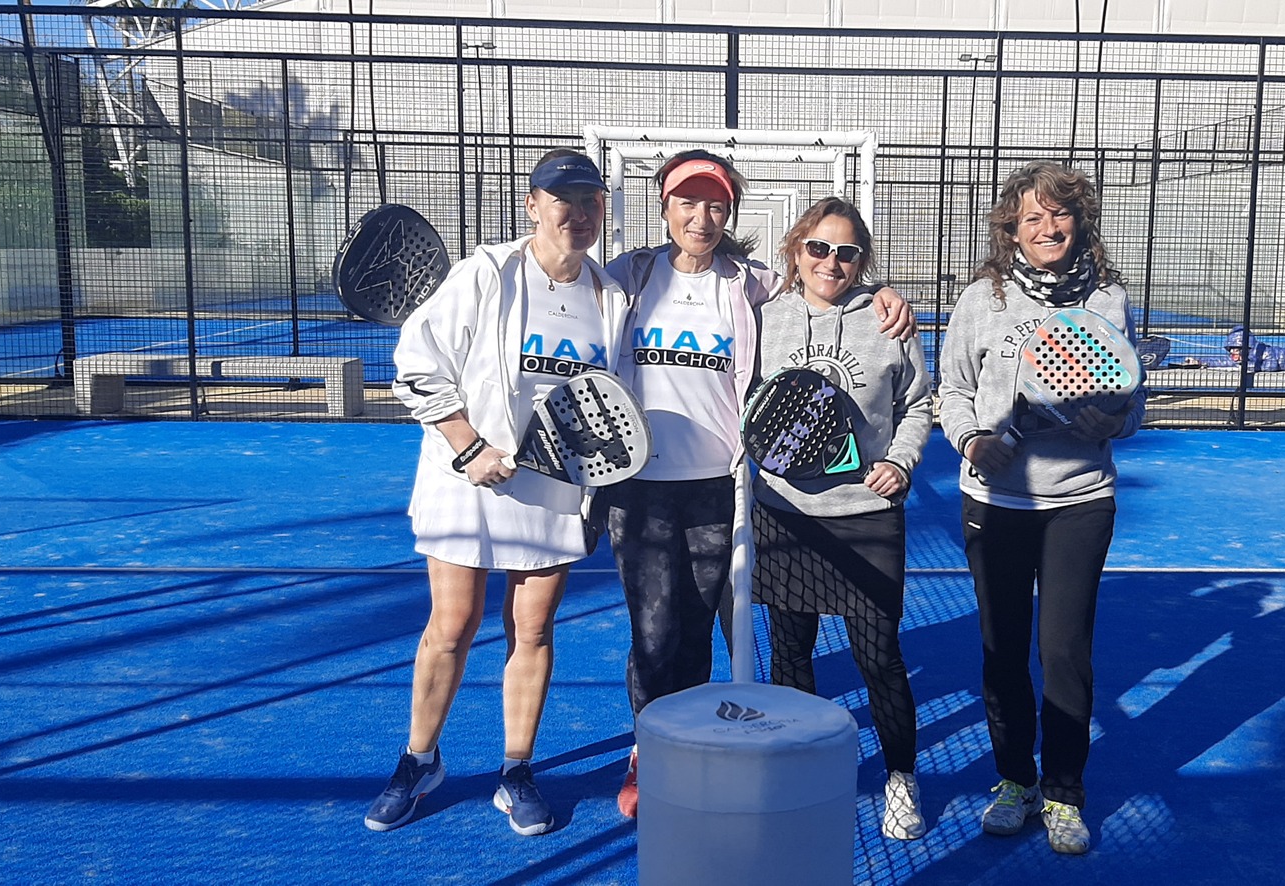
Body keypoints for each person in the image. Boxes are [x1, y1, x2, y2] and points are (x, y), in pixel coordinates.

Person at [601, 150, 915, 818]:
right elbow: (564, 290)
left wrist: (885, 292)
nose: (701, 216)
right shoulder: (628, 275)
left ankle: (701, 748)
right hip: (643, 488)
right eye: (688, 201)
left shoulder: (752, 287)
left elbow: (835, 290)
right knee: (654, 632)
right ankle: (648, 752)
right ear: (665, 205)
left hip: (723, 488)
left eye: (715, 204)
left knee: (708, 633)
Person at [366, 150, 628, 836]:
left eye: (590, 200)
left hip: (554, 489)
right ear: (532, 205)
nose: (578, 213)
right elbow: (416, 364)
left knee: (533, 629)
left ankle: (516, 771)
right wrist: (469, 446)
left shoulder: (611, 296)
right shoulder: (486, 272)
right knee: (451, 625)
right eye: (563, 200)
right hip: (465, 478)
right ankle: (419, 760)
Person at [936, 160, 1139, 857]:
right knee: (1002, 650)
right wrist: (973, 439)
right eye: (1032, 217)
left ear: (1080, 221)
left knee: (1064, 652)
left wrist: (1114, 422)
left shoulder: (1108, 299)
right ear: (1011, 230)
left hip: (1081, 500)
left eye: (1060, 213)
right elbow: (952, 390)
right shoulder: (981, 300)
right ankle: (1015, 782)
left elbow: (1131, 397)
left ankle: (1063, 793)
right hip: (995, 501)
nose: (1048, 227)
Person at [750, 197, 933, 840]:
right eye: (818, 248)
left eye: (847, 252)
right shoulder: (762, 319)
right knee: (790, 655)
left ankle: (901, 777)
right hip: (786, 515)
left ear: (863, 261)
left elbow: (918, 403)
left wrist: (902, 462)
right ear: (795, 251)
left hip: (866, 515)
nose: (831, 262)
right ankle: (801, 770)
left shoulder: (888, 321)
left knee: (878, 657)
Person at [1191, 317, 1285, 371]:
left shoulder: (1262, 350)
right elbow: (1223, 362)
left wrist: (1247, 367)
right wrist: (1201, 361)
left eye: (1236, 350)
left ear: (1245, 347)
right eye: (1231, 350)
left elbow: (1271, 366)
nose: (1232, 354)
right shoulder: (1244, 356)